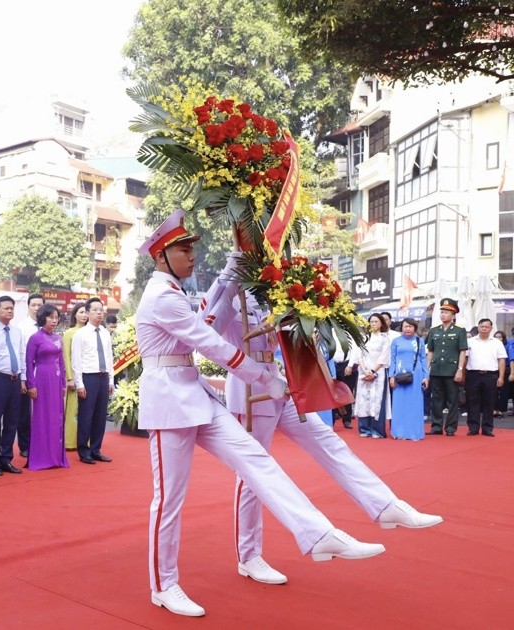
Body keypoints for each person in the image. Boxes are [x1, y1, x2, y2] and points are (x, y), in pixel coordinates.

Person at [135, 211, 385, 617]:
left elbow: (204, 320)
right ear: (161, 256)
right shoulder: (161, 296)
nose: (191, 256)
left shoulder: (174, 292)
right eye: (184, 250)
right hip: (168, 404)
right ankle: (164, 585)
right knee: (169, 500)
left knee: (258, 461)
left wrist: (227, 278)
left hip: (193, 393)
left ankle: (317, 533)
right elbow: (209, 340)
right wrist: (262, 378)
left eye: (192, 249)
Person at [201, 260, 442, 587]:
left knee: (329, 441)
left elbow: (294, 340)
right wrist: (227, 277)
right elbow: (208, 330)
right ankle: (249, 556)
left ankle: (385, 506)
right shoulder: (231, 297)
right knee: (254, 476)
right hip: (249, 390)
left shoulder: (277, 298)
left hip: (281, 383)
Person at [0, 295, 27, 476]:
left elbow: (21, 355)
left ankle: (6, 458)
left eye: (12, 308)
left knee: (11, 421)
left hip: (14, 380)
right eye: (6, 308)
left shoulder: (16, 331)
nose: (9, 311)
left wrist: (23, 379)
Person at [71, 297, 114, 464]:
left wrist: (111, 381)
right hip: (89, 377)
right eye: (95, 309)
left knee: (100, 415)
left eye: (100, 309)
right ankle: (84, 450)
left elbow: (109, 358)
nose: (98, 312)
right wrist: (79, 384)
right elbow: (76, 361)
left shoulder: (105, 333)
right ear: (87, 313)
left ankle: (96, 449)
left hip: (103, 376)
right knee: (86, 415)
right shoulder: (80, 334)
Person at [25, 303, 68, 470]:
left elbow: (62, 362)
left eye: (56, 317)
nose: (54, 320)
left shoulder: (58, 338)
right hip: (41, 378)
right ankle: (41, 456)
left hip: (56, 380)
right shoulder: (35, 338)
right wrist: (31, 384)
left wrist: (63, 382)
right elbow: (29, 362)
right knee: (42, 417)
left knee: (56, 417)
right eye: (51, 317)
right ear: (43, 318)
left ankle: (55, 456)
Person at [426, 298, 468, 436]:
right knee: (436, 400)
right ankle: (436, 426)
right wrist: (427, 368)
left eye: (446, 312)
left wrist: (460, 370)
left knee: (452, 401)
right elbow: (430, 351)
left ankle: (450, 428)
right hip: (437, 369)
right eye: (442, 312)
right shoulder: (433, 331)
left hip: (452, 370)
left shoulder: (459, 331)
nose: (443, 315)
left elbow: (462, 351)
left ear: (453, 315)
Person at [349, 314, 391, 438]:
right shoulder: (364, 338)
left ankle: (377, 430)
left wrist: (373, 371)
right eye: (371, 321)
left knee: (376, 400)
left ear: (381, 324)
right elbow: (359, 354)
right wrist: (364, 369)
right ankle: (364, 429)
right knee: (363, 401)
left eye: (376, 321)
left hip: (378, 372)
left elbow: (384, 356)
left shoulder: (385, 338)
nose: (373, 324)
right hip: (364, 372)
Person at [389, 318, 430, 440]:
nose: (407, 329)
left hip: (416, 376)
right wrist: (391, 376)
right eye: (405, 326)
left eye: (410, 326)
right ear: (401, 328)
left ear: (415, 328)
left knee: (415, 405)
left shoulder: (419, 341)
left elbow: (423, 359)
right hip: (399, 375)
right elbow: (392, 359)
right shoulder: (396, 341)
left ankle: (414, 433)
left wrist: (426, 377)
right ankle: (399, 432)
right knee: (399, 405)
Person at [464, 318, 506, 437]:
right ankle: (473, 428)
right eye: (482, 326)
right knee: (472, 401)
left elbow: (501, 360)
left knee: (490, 402)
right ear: (478, 327)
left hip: (491, 375)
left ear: (491, 328)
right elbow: (465, 358)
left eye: (486, 327)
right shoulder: (470, 341)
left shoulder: (497, 342)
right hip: (473, 374)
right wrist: (462, 374)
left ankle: (487, 428)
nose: (484, 329)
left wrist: (501, 377)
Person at [16, 293, 43, 458]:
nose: (36, 308)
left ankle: (40, 442)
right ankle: (25, 445)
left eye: (39, 305)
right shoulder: (22, 326)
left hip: (43, 372)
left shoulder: (46, 326)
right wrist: (23, 378)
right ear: (28, 307)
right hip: (28, 371)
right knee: (25, 413)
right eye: (33, 305)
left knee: (41, 410)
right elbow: (21, 354)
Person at [62, 302, 87, 451]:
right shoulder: (69, 333)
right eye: (81, 312)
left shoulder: (93, 332)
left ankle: (85, 440)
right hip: (74, 377)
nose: (84, 315)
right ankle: (70, 442)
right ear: (75, 315)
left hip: (89, 375)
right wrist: (70, 378)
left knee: (86, 411)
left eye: (85, 312)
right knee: (73, 410)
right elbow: (66, 355)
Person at [495, 330, 511, 417]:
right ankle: (494, 409)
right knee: (494, 391)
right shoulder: (492, 346)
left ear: (503, 338)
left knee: (504, 391)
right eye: (496, 337)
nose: (498, 339)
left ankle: (501, 410)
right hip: (493, 370)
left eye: (500, 337)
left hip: (506, 370)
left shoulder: (507, 346)